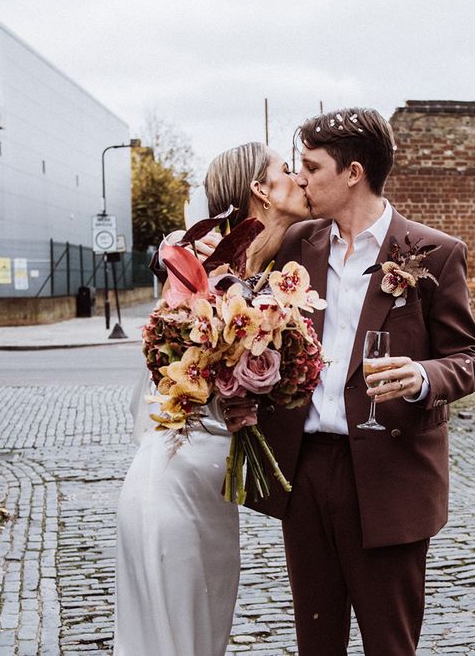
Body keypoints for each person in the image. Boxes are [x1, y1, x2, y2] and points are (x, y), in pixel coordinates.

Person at [224, 107, 475, 655]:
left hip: (390, 477)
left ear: (353, 173)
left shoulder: (435, 253)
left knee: (389, 645)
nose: (300, 179)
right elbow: (236, 287)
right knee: (316, 642)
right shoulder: (298, 244)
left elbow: (468, 359)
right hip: (306, 468)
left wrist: (421, 375)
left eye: (312, 168)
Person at [113, 142, 310, 656]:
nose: (302, 179)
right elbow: (171, 361)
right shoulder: (200, 267)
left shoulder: (273, 274)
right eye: (288, 170)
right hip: (172, 483)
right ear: (260, 190)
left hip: (214, 495)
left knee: (206, 640)